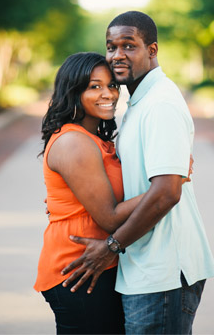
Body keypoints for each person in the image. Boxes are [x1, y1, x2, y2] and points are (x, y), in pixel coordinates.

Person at [61, 11, 214, 335]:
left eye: (128, 45)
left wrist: (112, 247)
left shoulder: (160, 104)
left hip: (162, 271)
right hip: (145, 267)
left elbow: (167, 192)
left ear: (152, 50)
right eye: (111, 46)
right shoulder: (138, 103)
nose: (117, 54)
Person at [35, 52, 144, 334]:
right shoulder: (75, 142)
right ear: (73, 92)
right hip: (80, 271)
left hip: (98, 265)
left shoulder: (95, 140)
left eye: (111, 85)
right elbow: (109, 218)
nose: (107, 94)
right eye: (94, 86)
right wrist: (167, 186)